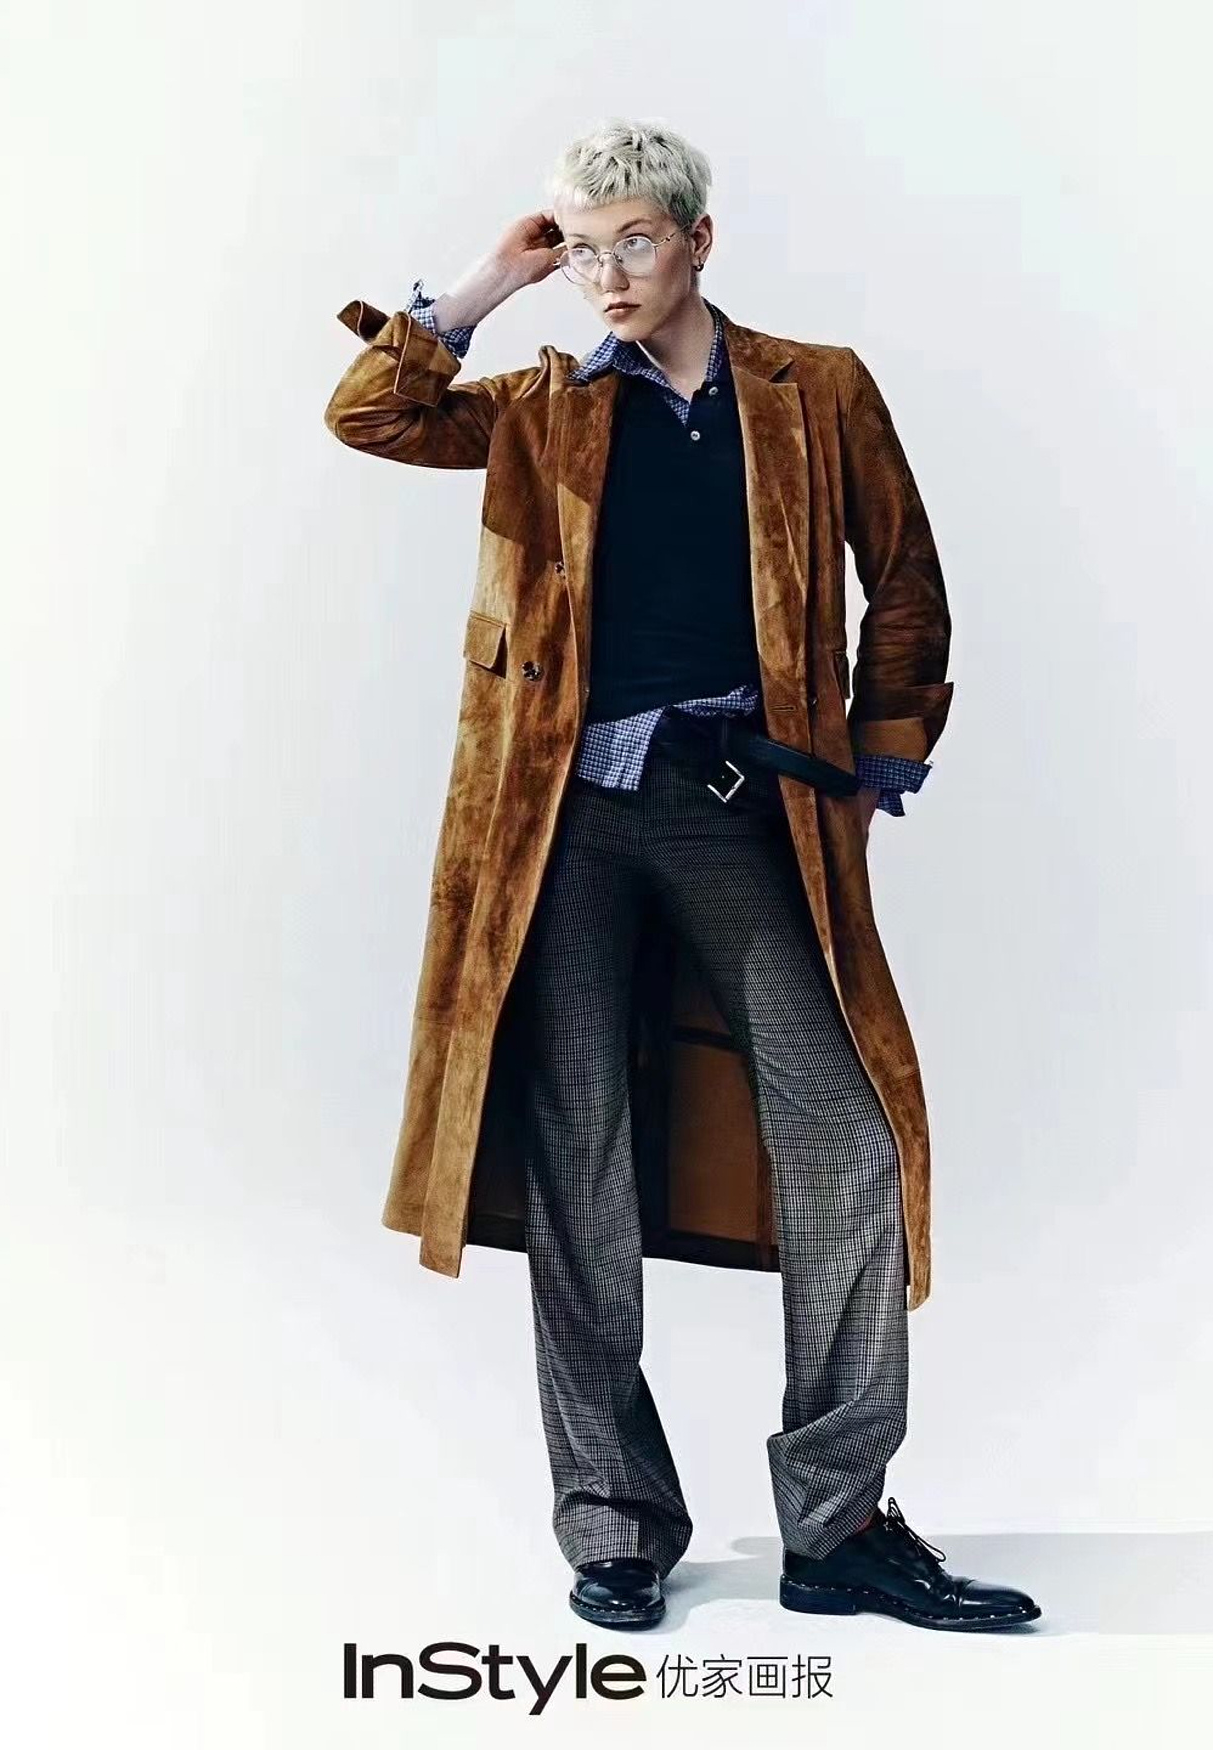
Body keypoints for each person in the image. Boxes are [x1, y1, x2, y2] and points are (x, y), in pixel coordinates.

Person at [325, 117, 1041, 1633]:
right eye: (583, 250)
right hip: (561, 827)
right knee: (577, 1160)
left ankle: (837, 1526)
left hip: (740, 809)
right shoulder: (542, 403)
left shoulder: (815, 388)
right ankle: (615, 1523)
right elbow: (371, 416)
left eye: (633, 243)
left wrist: (880, 752)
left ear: (699, 240)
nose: (608, 275)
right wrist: (485, 285)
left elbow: (904, 577)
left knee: (845, 1142)